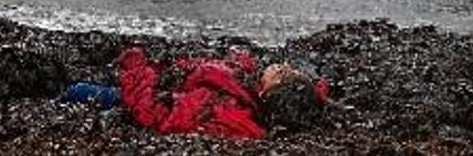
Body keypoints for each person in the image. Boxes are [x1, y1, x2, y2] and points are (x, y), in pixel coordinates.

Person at [117, 47, 329, 139]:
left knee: (84, 90)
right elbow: (310, 98)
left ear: (268, 93)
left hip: (148, 93)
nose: (280, 65)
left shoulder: (231, 114)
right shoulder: (294, 100)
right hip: (174, 80)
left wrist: (137, 71)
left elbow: (157, 116)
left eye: (281, 73)